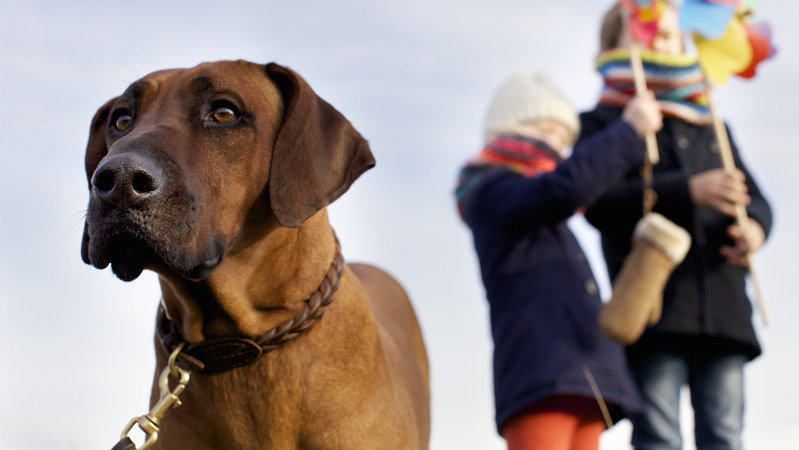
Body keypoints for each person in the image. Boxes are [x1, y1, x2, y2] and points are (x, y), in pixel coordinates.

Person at [580, 2, 773, 449]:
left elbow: (758, 202)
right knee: (659, 435)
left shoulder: (712, 125)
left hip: (723, 306)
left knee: (725, 433)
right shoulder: (605, 124)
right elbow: (598, 204)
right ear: (614, 45)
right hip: (652, 309)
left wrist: (755, 230)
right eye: (647, 35)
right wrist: (689, 190)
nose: (661, 44)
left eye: (669, 36)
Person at [455, 72, 661, 450]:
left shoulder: (543, 206)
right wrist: (629, 131)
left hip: (585, 373)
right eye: (544, 130)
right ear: (507, 130)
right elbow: (567, 187)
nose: (556, 145)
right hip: (540, 372)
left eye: (564, 139)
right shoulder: (492, 192)